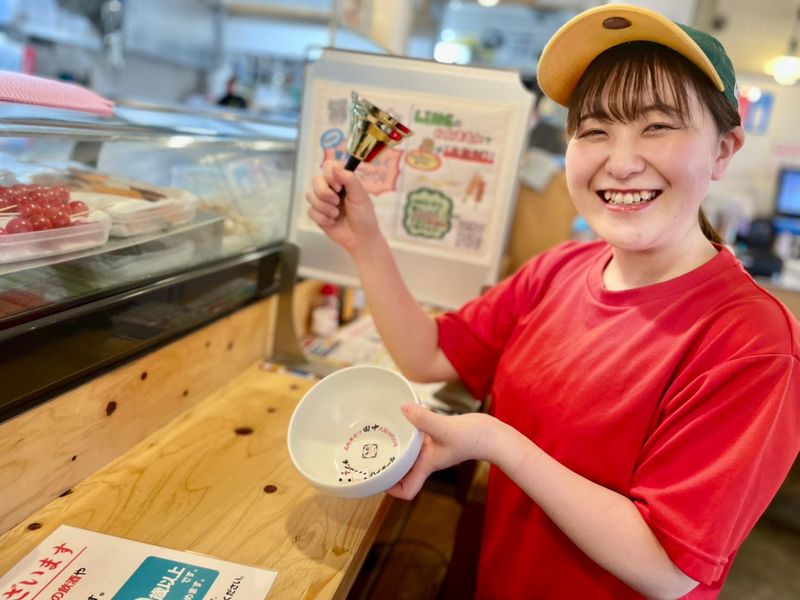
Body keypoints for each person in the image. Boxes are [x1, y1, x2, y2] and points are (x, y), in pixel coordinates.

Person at [305, 4, 800, 599]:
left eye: (658, 127)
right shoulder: (559, 269)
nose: (620, 161)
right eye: (594, 131)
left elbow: (669, 567)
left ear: (723, 150)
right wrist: (365, 243)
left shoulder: (752, 342)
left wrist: (495, 441)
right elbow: (427, 354)